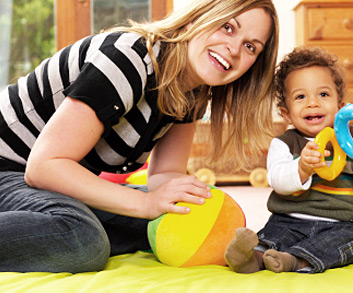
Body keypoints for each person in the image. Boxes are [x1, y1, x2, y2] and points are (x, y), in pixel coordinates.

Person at [0, 0, 278, 273]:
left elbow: (165, 174)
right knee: (83, 238)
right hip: (12, 168)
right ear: (198, 17)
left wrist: (206, 212)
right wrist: (145, 203)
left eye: (250, 46)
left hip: (46, 184)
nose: (234, 49)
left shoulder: (193, 91)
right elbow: (44, 167)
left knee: (169, 224)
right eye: (228, 27)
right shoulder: (129, 57)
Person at [224, 46, 353, 274]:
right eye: (301, 97)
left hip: (341, 224)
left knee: (345, 242)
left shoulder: (349, 143)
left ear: (341, 107)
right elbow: (277, 180)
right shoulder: (284, 143)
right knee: (273, 236)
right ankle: (252, 257)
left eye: (323, 94)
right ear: (287, 114)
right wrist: (302, 168)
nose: (312, 103)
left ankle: (294, 261)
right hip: (290, 219)